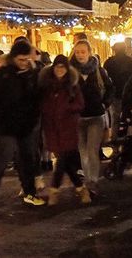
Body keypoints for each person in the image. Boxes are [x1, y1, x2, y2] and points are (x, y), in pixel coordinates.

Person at [0, 39, 45, 211]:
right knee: (4, 159)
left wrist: (34, 116)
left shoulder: (31, 74)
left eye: (26, 59)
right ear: (14, 58)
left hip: (26, 125)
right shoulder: (3, 74)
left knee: (27, 159)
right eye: (20, 59)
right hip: (7, 125)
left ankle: (30, 193)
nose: (24, 63)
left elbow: (36, 98)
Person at [39, 55, 90, 205]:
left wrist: (66, 108)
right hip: (52, 127)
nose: (60, 70)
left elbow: (80, 104)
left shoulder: (72, 86)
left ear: (67, 69)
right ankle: (81, 189)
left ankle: (54, 190)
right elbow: (42, 104)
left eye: (63, 67)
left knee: (62, 160)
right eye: (57, 66)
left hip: (68, 127)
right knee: (65, 161)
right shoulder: (47, 86)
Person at [70, 40, 112, 195]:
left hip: (95, 116)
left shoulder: (98, 71)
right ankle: (87, 181)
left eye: (83, 52)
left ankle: (92, 181)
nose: (80, 55)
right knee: (82, 151)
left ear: (89, 52)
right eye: (77, 52)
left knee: (92, 150)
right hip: (78, 117)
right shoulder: (71, 71)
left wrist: (105, 103)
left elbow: (110, 88)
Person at [104, 42, 132, 139]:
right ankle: (128, 138)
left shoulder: (108, 62)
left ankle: (115, 139)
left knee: (115, 118)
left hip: (115, 94)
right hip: (130, 95)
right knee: (129, 117)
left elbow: (106, 80)